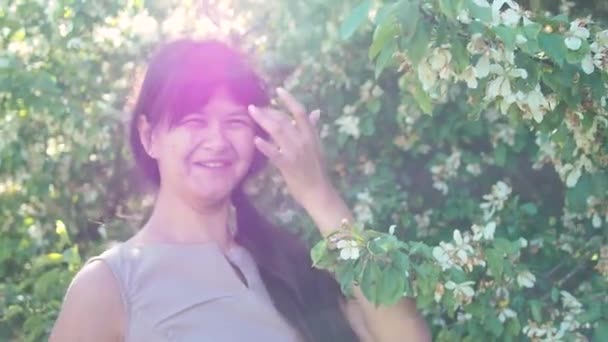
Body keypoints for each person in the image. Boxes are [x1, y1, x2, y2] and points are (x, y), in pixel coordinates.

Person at [49, 39, 430, 342]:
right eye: (194, 121)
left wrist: (319, 194)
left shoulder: (289, 263)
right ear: (150, 136)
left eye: (234, 122)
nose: (217, 141)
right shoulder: (110, 285)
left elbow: (406, 337)